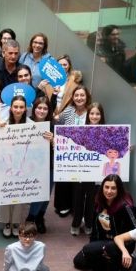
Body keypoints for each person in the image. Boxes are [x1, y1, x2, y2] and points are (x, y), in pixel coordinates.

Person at [73, 174, 136, 271]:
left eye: (113, 188)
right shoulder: (99, 202)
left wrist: (122, 249)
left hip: (120, 244)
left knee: (90, 250)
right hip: (104, 240)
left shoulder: (126, 206)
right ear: (102, 187)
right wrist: (93, 246)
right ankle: (108, 262)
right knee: (79, 261)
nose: (109, 191)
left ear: (119, 190)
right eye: (106, 187)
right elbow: (95, 229)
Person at [0, 96, 33, 238]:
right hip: (6, 165)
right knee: (7, 194)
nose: (18, 110)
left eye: (21, 107)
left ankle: (16, 223)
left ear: (25, 109)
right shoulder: (3, 123)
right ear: (11, 108)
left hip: (23, 165)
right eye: (15, 107)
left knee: (20, 195)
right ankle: (6, 222)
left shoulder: (31, 125)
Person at [55, 85, 92, 217]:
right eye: (76, 95)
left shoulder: (91, 111)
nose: (79, 98)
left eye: (82, 95)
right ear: (73, 97)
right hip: (68, 150)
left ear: (87, 97)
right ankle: (63, 205)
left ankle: (75, 206)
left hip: (84, 152)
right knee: (65, 179)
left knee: (78, 182)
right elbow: (58, 123)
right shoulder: (69, 110)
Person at [70, 102, 106, 236]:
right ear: (88, 115)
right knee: (78, 199)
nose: (94, 116)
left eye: (97, 114)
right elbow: (71, 146)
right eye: (92, 113)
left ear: (101, 116)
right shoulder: (80, 130)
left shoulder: (107, 131)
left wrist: (125, 149)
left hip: (96, 173)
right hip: (81, 172)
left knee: (92, 200)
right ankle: (75, 224)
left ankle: (89, 224)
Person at [27, 97, 54, 233]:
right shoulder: (27, 122)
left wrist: (52, 140)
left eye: (45, 108)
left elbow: (61, 147)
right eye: (39, 108)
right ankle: (31, 218)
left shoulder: (53, 125)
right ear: (34, 108)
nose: (41, 111)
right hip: (30, 164)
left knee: (46, 193)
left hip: (49, 164)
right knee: (36, 192)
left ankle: (39, 217)